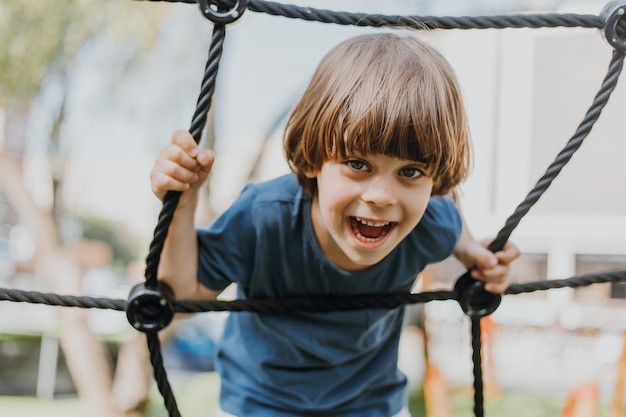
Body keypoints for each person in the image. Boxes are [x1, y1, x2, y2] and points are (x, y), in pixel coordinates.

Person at [150, 33, 520, 417]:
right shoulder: (263, 218)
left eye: (411, 171)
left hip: (372, 406)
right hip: (260, 405)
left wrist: (472, 251)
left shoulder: (430, 224)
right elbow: (180, 297)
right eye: (358, 164)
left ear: (434, 182)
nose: (382, 196)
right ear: (313, 159)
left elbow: (449, 216)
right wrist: (182, 203)